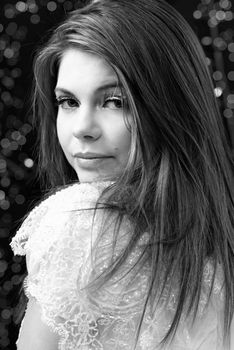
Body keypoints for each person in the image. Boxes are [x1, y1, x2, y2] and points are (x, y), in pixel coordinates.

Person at [10, 0, 234, 349]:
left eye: (115, 101)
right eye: (68, 102)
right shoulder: (220, 242)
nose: (83, 129)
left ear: (170, 106)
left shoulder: (81, 224)